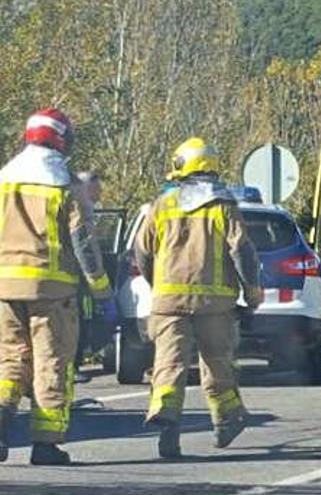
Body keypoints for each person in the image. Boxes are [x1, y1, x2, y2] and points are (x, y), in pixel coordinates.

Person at [135, 137, 262, 458]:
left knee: (168, 364)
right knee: (217, 362)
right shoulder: (223, 206)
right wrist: (252, 290)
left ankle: (168, 425)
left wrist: (158, 285)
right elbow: (242, 251)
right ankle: (226, 420)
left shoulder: (162, 206)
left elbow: (142, 251)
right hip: (214, 305)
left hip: (168, 303)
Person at [0, 109, 114, 465]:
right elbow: (82, 242)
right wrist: (101, 289)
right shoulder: (64, 184)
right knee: (52, 364)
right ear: (62, 140)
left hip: (4, 288)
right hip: (52, 292)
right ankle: (46, 445)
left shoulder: (4, 178)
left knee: (9, 362)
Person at [73, 171, 103, 384]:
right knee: (75, 324)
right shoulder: (79, 210)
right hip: (70, 280)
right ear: (85, 188)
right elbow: (85, 248)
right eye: (97, 189)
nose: (100, 194)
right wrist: (100, 287)